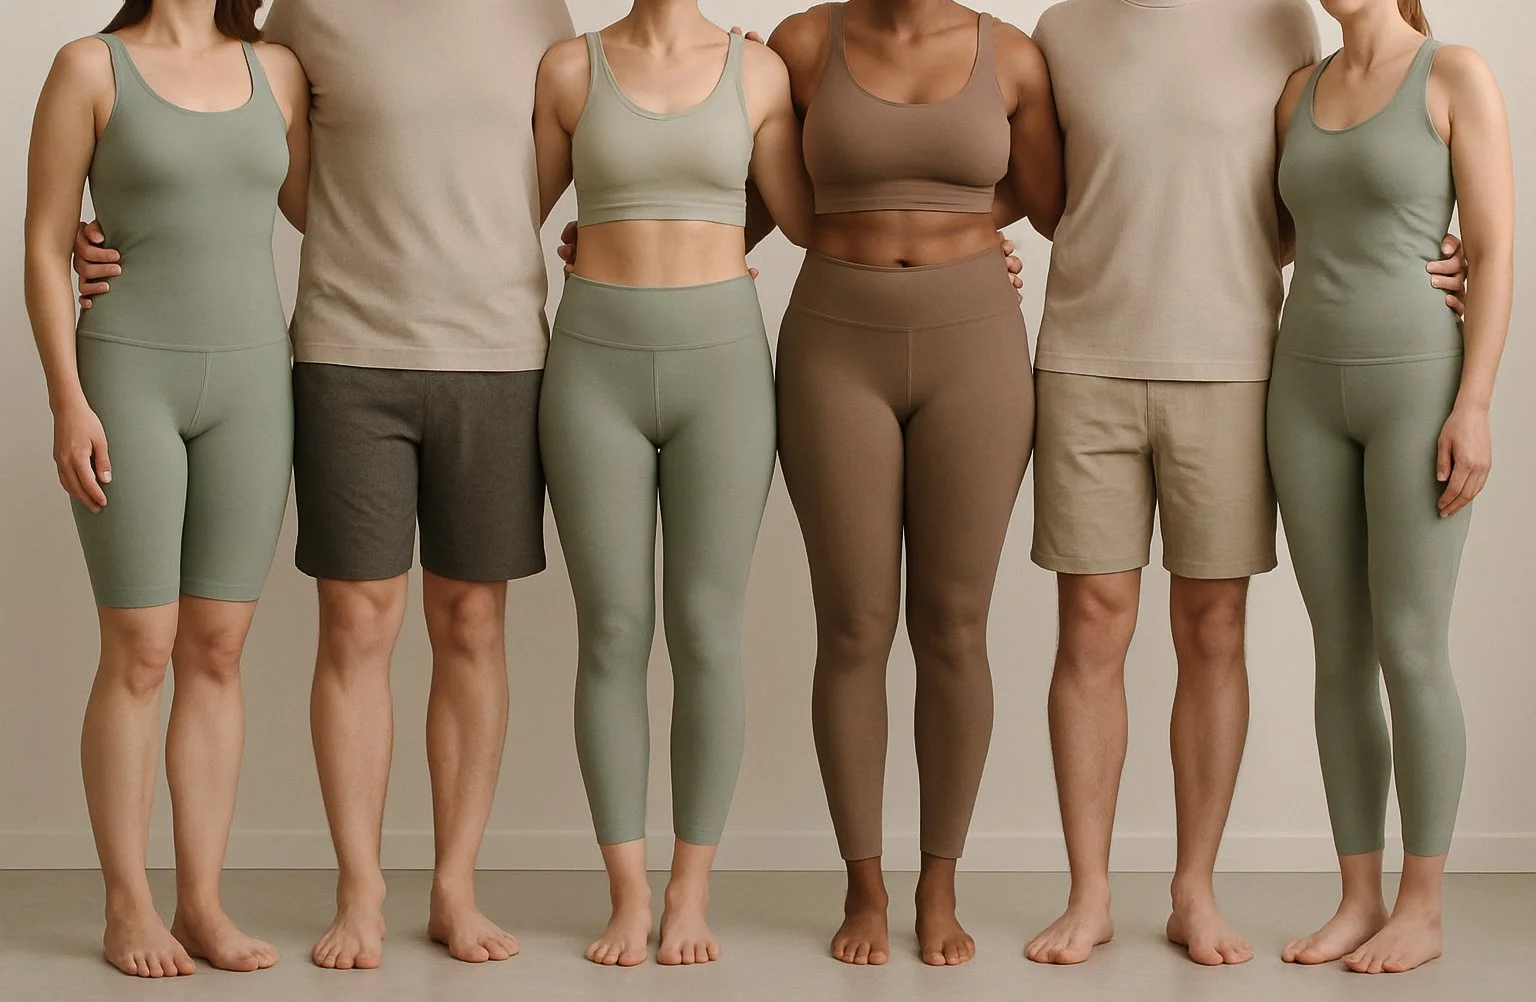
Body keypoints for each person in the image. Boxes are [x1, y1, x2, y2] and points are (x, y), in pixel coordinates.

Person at [74, 0, 576, 970]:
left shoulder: (537, 12)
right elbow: (264, 169)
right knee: (357, 622)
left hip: (500, 354)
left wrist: (616, 241)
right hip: (347, 353)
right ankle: (362, 894)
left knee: (473, 621)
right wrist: (112, 232)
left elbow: (548, 171)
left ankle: (454, 888)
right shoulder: (304, 15)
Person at [1023, 0, 1469, 968]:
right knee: (1092, 621)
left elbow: (1307, 200)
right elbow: (1048, 201)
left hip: (1233, 365)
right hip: (1085, 361)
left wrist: (1422, 261)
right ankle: (1090, 895)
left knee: (1213, 627)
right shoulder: (1060, 30)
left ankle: (1195, 892)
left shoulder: (1283, 28)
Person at [768, 0, 1062, 968]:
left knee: (954, 625)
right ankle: (865, 887)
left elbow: (1057, 203)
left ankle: (940, 885)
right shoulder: (802, 45)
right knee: (852, 624)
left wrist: (963, 225)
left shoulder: (1012, 57)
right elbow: (744, 198)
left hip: (973, 342)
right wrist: (612, 239)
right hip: (833, 347)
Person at [26, 0, 308, 978]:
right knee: (141, 649)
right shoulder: (89, 67)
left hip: (253, 386)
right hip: (126, 377)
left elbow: (333, 208)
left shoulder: (279, 70)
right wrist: (68, 399)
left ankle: (200, 903)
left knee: (218, 649)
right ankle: (126, 903)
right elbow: (42, 239)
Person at [531, 0, 813, 968]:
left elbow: (812, 216)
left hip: (724, 369)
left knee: (705, 628)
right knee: (611, 628)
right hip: (592, 368)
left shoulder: (760, 71)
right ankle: (626, 893)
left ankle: (690, 889)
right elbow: (493, 212)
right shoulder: (569, 70)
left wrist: (971, 237)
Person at [1269, 0, 1512, 974]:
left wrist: (1477, 404)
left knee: (1410, 644)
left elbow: (1491, 252)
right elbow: (1277, 233)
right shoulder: (1296, 89)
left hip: (1417, 384)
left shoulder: (1455, 77)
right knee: (1340, 652)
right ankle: (1359, 896)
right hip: (1302, 389)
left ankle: (1423, 904)